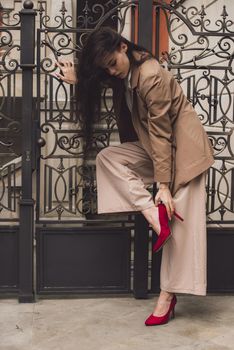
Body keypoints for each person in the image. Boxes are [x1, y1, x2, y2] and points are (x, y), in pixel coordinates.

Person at [55, 27, 214, 326]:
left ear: (123, 46)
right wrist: (80, 79)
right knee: (109, 159)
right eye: (105, 68)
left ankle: (167, 297)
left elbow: (161, 130)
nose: (111, 71)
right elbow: (110, 83)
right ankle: (154, 215)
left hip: (185, 152)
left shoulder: (150, 74)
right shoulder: (126, 73)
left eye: (112, 63)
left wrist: (163, 186)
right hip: (157, 150)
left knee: (180, 228)